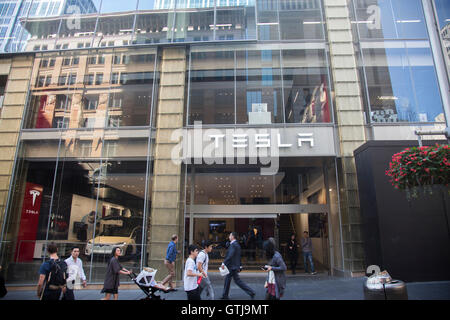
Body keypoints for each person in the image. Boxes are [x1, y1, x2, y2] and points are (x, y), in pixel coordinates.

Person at [220, 232, 255, 300]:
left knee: (237, 281)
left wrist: (223, 263)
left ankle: (251, 292)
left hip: (232, 266)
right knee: (229, 280)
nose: (229, 236)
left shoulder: (233, 245)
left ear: (233, 236)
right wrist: (240, 265)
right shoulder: (236, 244)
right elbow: (238, 256)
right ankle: (225, 295)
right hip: (233, 266)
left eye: (230, 235)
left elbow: (230, 255)